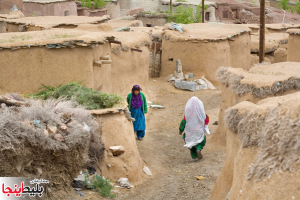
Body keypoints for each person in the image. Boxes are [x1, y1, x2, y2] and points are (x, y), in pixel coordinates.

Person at [179, 96, 210, 161]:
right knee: (202, 140)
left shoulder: (187, 116)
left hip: (190, 132)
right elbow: (206, 121)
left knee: (191, 144)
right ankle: (199, 148)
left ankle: (194, 156)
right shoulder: (202, 114)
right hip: (199, 131)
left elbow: (183, 123)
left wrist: (180, 130)